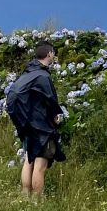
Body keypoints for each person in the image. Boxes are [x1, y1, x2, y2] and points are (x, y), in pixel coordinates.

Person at [5, 40, 66, 201]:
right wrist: (56, 117)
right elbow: (51, 100)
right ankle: (36, 201)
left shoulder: (27, 74)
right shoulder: (43, 76)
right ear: (49, 54)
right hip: (42, 128)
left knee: (28, 161)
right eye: (53, 53)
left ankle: (25, 196)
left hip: (27, 125)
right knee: (40, 166)